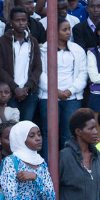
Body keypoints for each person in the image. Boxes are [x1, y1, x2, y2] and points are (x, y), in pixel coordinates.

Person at [40, 17, 88, 153]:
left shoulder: (77, 50)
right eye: (64, 30)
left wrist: (70, 91)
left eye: (69, 29)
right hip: (48, 96)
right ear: (54, 31)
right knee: (49, 133)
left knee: (69, 134)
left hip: (71, 97)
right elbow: (40, 73)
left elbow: (83, 74)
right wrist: (55, 91)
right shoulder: (43, 49)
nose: (68, 33)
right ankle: (48, 167)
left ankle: (65, 167)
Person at [0, 8, 42, 121]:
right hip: (10, 92)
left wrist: (26, 88)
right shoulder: (3, 41)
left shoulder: (33, 41)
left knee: (26, 125)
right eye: (17, 20)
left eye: (24, 20)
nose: (21, 23)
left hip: (29, 92)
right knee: (12, 125)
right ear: (11, 22)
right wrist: (15, 88)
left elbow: (38, 67)